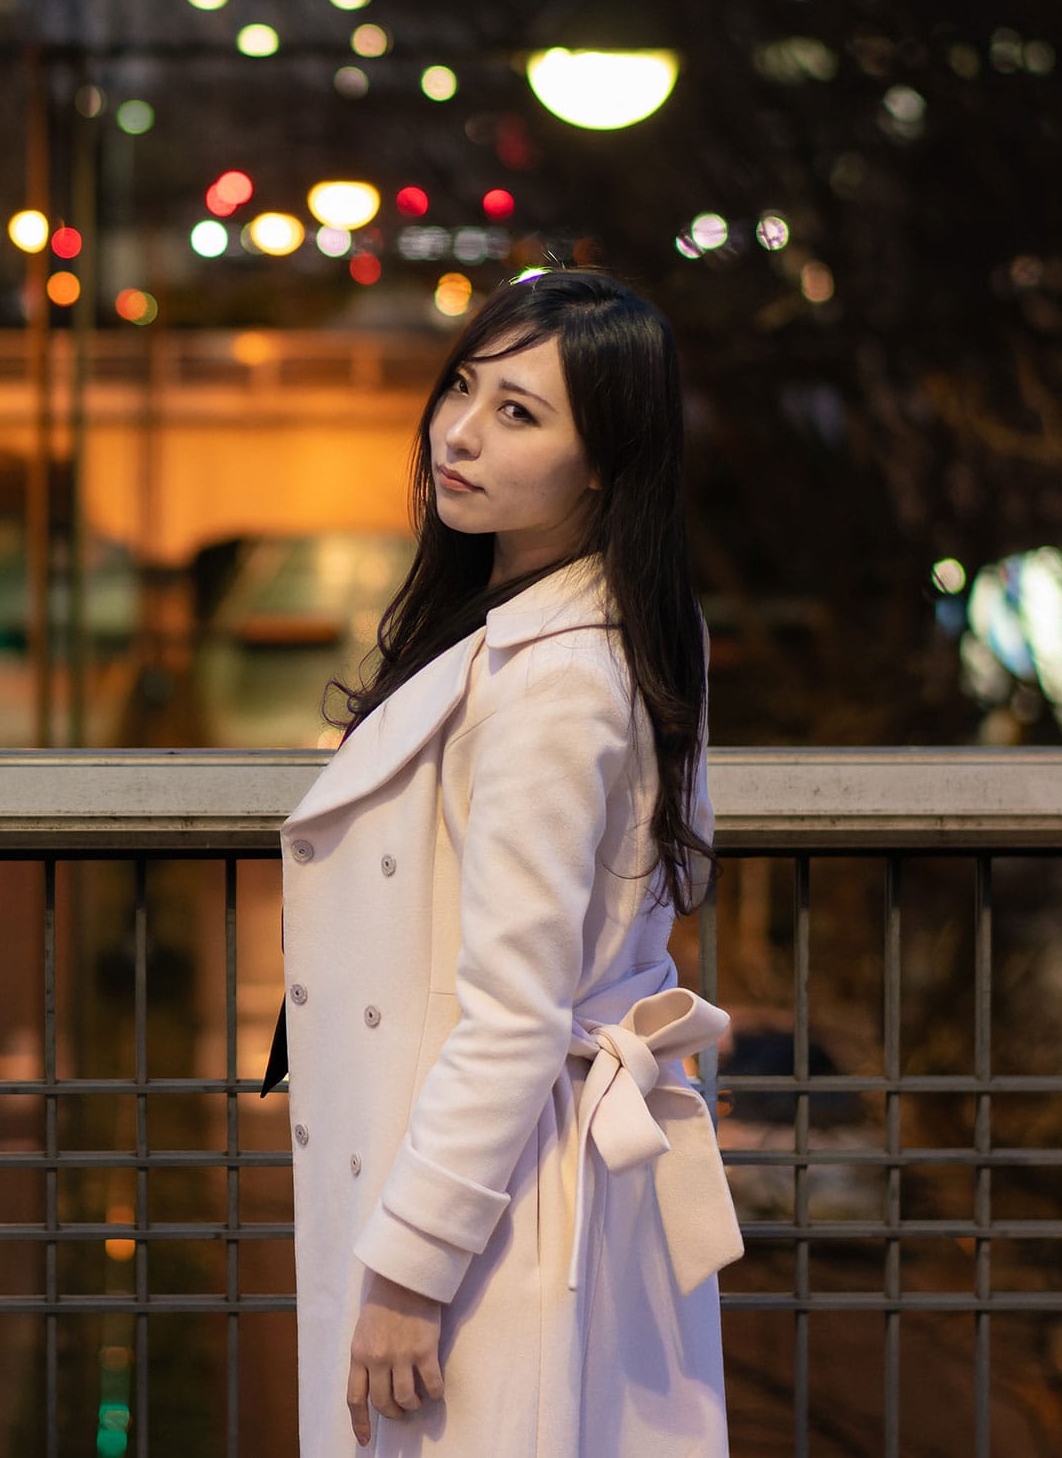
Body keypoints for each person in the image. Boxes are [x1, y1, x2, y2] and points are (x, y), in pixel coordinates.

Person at [274, 267, 740, 1453]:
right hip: (533, 1171)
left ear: (602, 464)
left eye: (518, 411)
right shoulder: (608, 616)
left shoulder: (552, 680)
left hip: (496, 1197)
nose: (459, 433)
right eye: (461, 388)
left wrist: (408, 1267)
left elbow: (514, 1014)